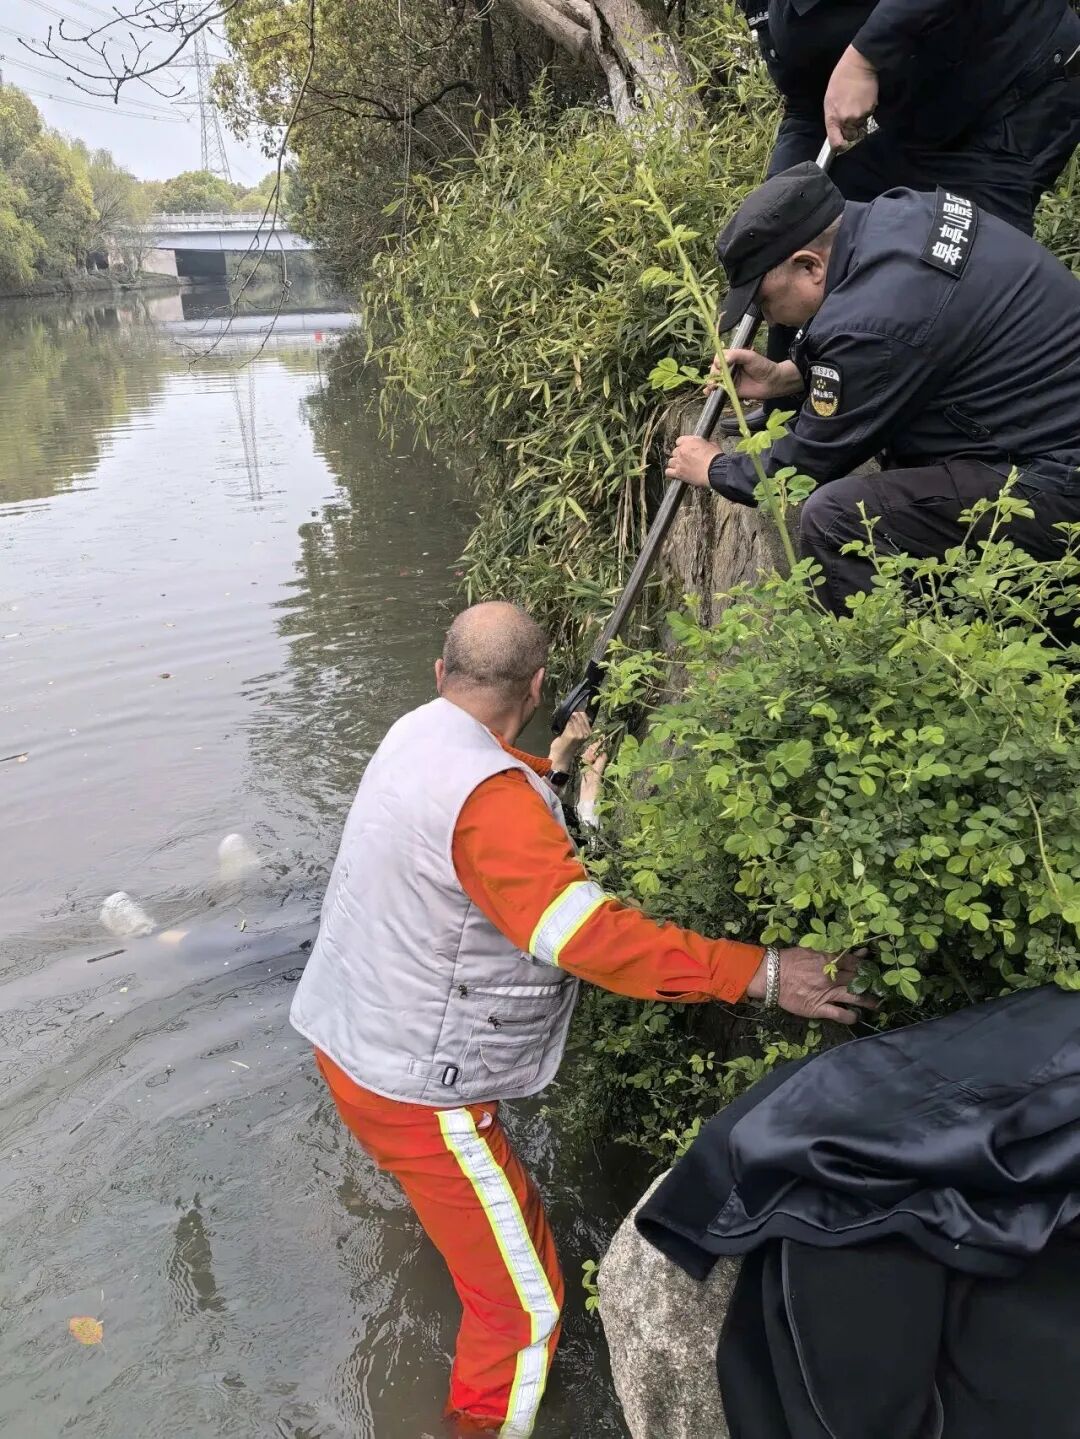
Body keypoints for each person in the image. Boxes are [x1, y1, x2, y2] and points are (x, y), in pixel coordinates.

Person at [289, 600, 872, 1436]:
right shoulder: (494, 803)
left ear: (441, 673)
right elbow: (592, 938)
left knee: (493, 1237)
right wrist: (764, 971)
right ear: (535, 684)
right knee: (526, 1309)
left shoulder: (415, 733)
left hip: (348, 1043)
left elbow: (483, 809)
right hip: (417, 1089)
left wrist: (549, 769)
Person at [665, 163, 1080, 616]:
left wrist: (716, 469)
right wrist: (789, 375)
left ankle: (912, 672)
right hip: (1046, 420)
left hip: (1058, 481)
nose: (769, 319)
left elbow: (804, 464)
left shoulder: (874, 322)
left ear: (809, 265)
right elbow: (917, 341)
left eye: (764, 300)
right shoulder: (897, 213)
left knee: (835, 519)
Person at [742, 0, 1080, 234]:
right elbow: (807, 106)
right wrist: (778, 207)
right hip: (924, 116)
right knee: (808, 230)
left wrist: (865, 57)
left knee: (963, 251)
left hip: (1016, 86)